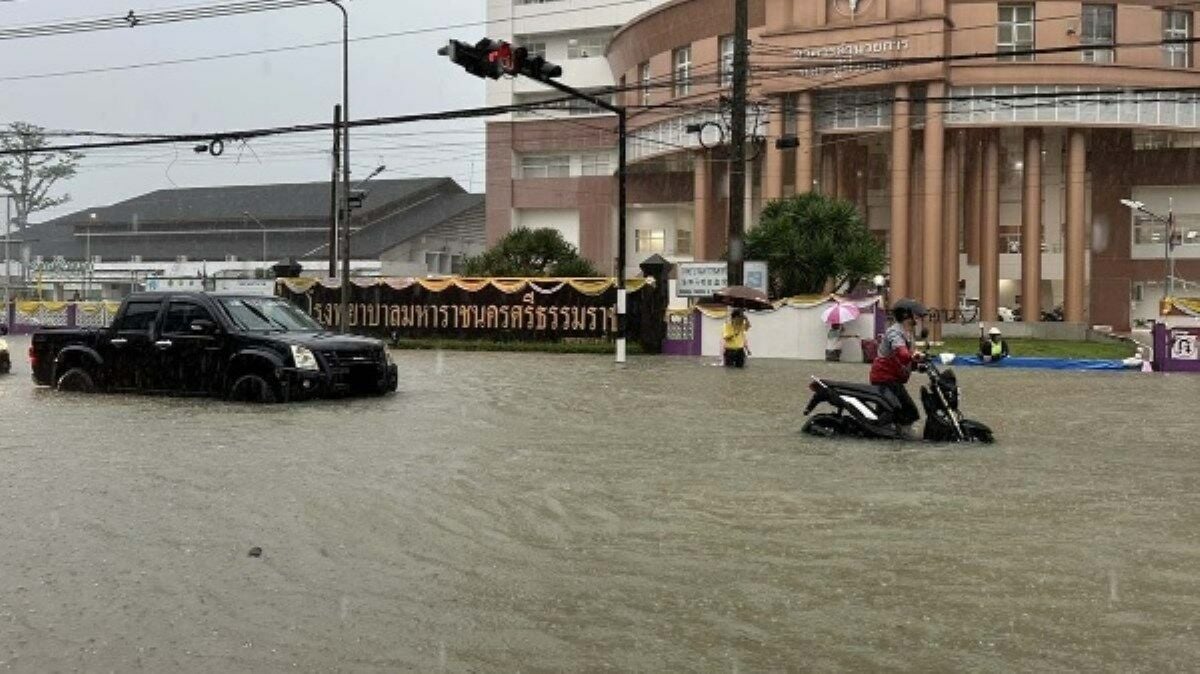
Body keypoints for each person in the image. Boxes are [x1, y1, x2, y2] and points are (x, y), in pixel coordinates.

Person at [869, 299, 927, 439]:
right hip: (885, 378)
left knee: (893, 409)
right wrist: (914, 355)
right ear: (906, 315)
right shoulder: (894, 332)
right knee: (909, 410)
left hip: (894, 378)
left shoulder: (908, 333)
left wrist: (918, 365)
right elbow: (901, 352)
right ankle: (902, 436)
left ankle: (894, 433)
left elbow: (907, 359)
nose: (918, 318)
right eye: (916, 315)